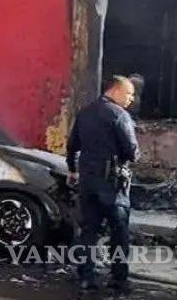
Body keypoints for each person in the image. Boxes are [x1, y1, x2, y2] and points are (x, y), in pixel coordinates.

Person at [67, 75, 139, 294]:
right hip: (113, 185)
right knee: (119, 232)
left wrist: (72, 170)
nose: (131, 99)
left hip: (88, 183)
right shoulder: (119, 115)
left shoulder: (84, 113)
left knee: (89, 231)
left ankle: (86, 278)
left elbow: (72, 146)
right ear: (115, 90)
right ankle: (118, 279)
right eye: (129, 94)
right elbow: (132, 151)